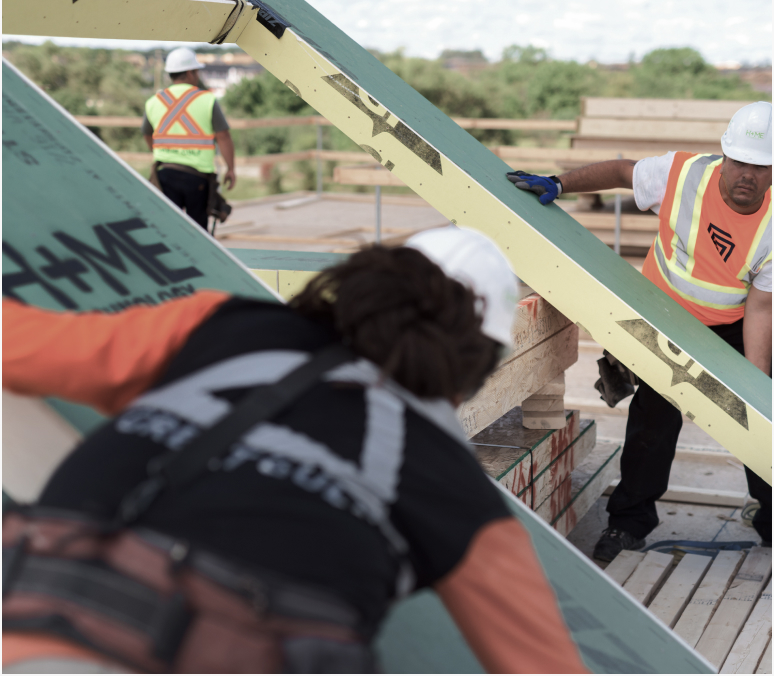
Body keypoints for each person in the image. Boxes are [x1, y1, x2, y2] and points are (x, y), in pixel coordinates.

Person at [2, 227, 588, 674]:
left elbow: (18, 346)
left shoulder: (211, 326)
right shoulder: (462, 500)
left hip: (33, 630)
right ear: (478, 367)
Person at [507, 101, 772, 562]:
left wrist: (753, 388)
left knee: (762, 416)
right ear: (724, 156)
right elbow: (619, 171)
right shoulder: (683, 174)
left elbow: (762, 308)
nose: (748, 174)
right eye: (740, 162)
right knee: (653, 418)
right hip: (665, 318)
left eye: (762, 166)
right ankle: (628, 524)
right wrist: (560, 183)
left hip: (731, 323)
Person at [143, 47, 236, 229]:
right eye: (197, 71)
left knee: (168, 229)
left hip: (165, 175)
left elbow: (147, 133)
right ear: (190, 73)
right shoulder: (207, 100)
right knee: (198, 232)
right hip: (197, 177)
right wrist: (231, 169)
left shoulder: (155, 101)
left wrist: (161, 152)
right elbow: (223, 136)